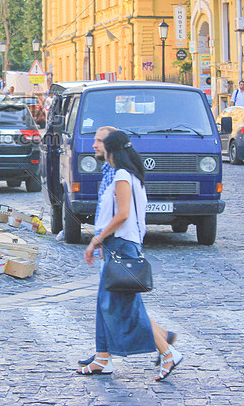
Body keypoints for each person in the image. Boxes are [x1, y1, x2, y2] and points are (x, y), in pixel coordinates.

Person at [77, 129, 182, 381]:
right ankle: (103, 357)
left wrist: (96, 239)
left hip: (121, 245)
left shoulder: (123, 175)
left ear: (111, 150)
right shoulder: (130, 174)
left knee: (127, 306)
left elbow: (122, 214)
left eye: (101, 144)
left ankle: (167, 351)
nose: (96, 147)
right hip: (121, 244)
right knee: (107, 303)